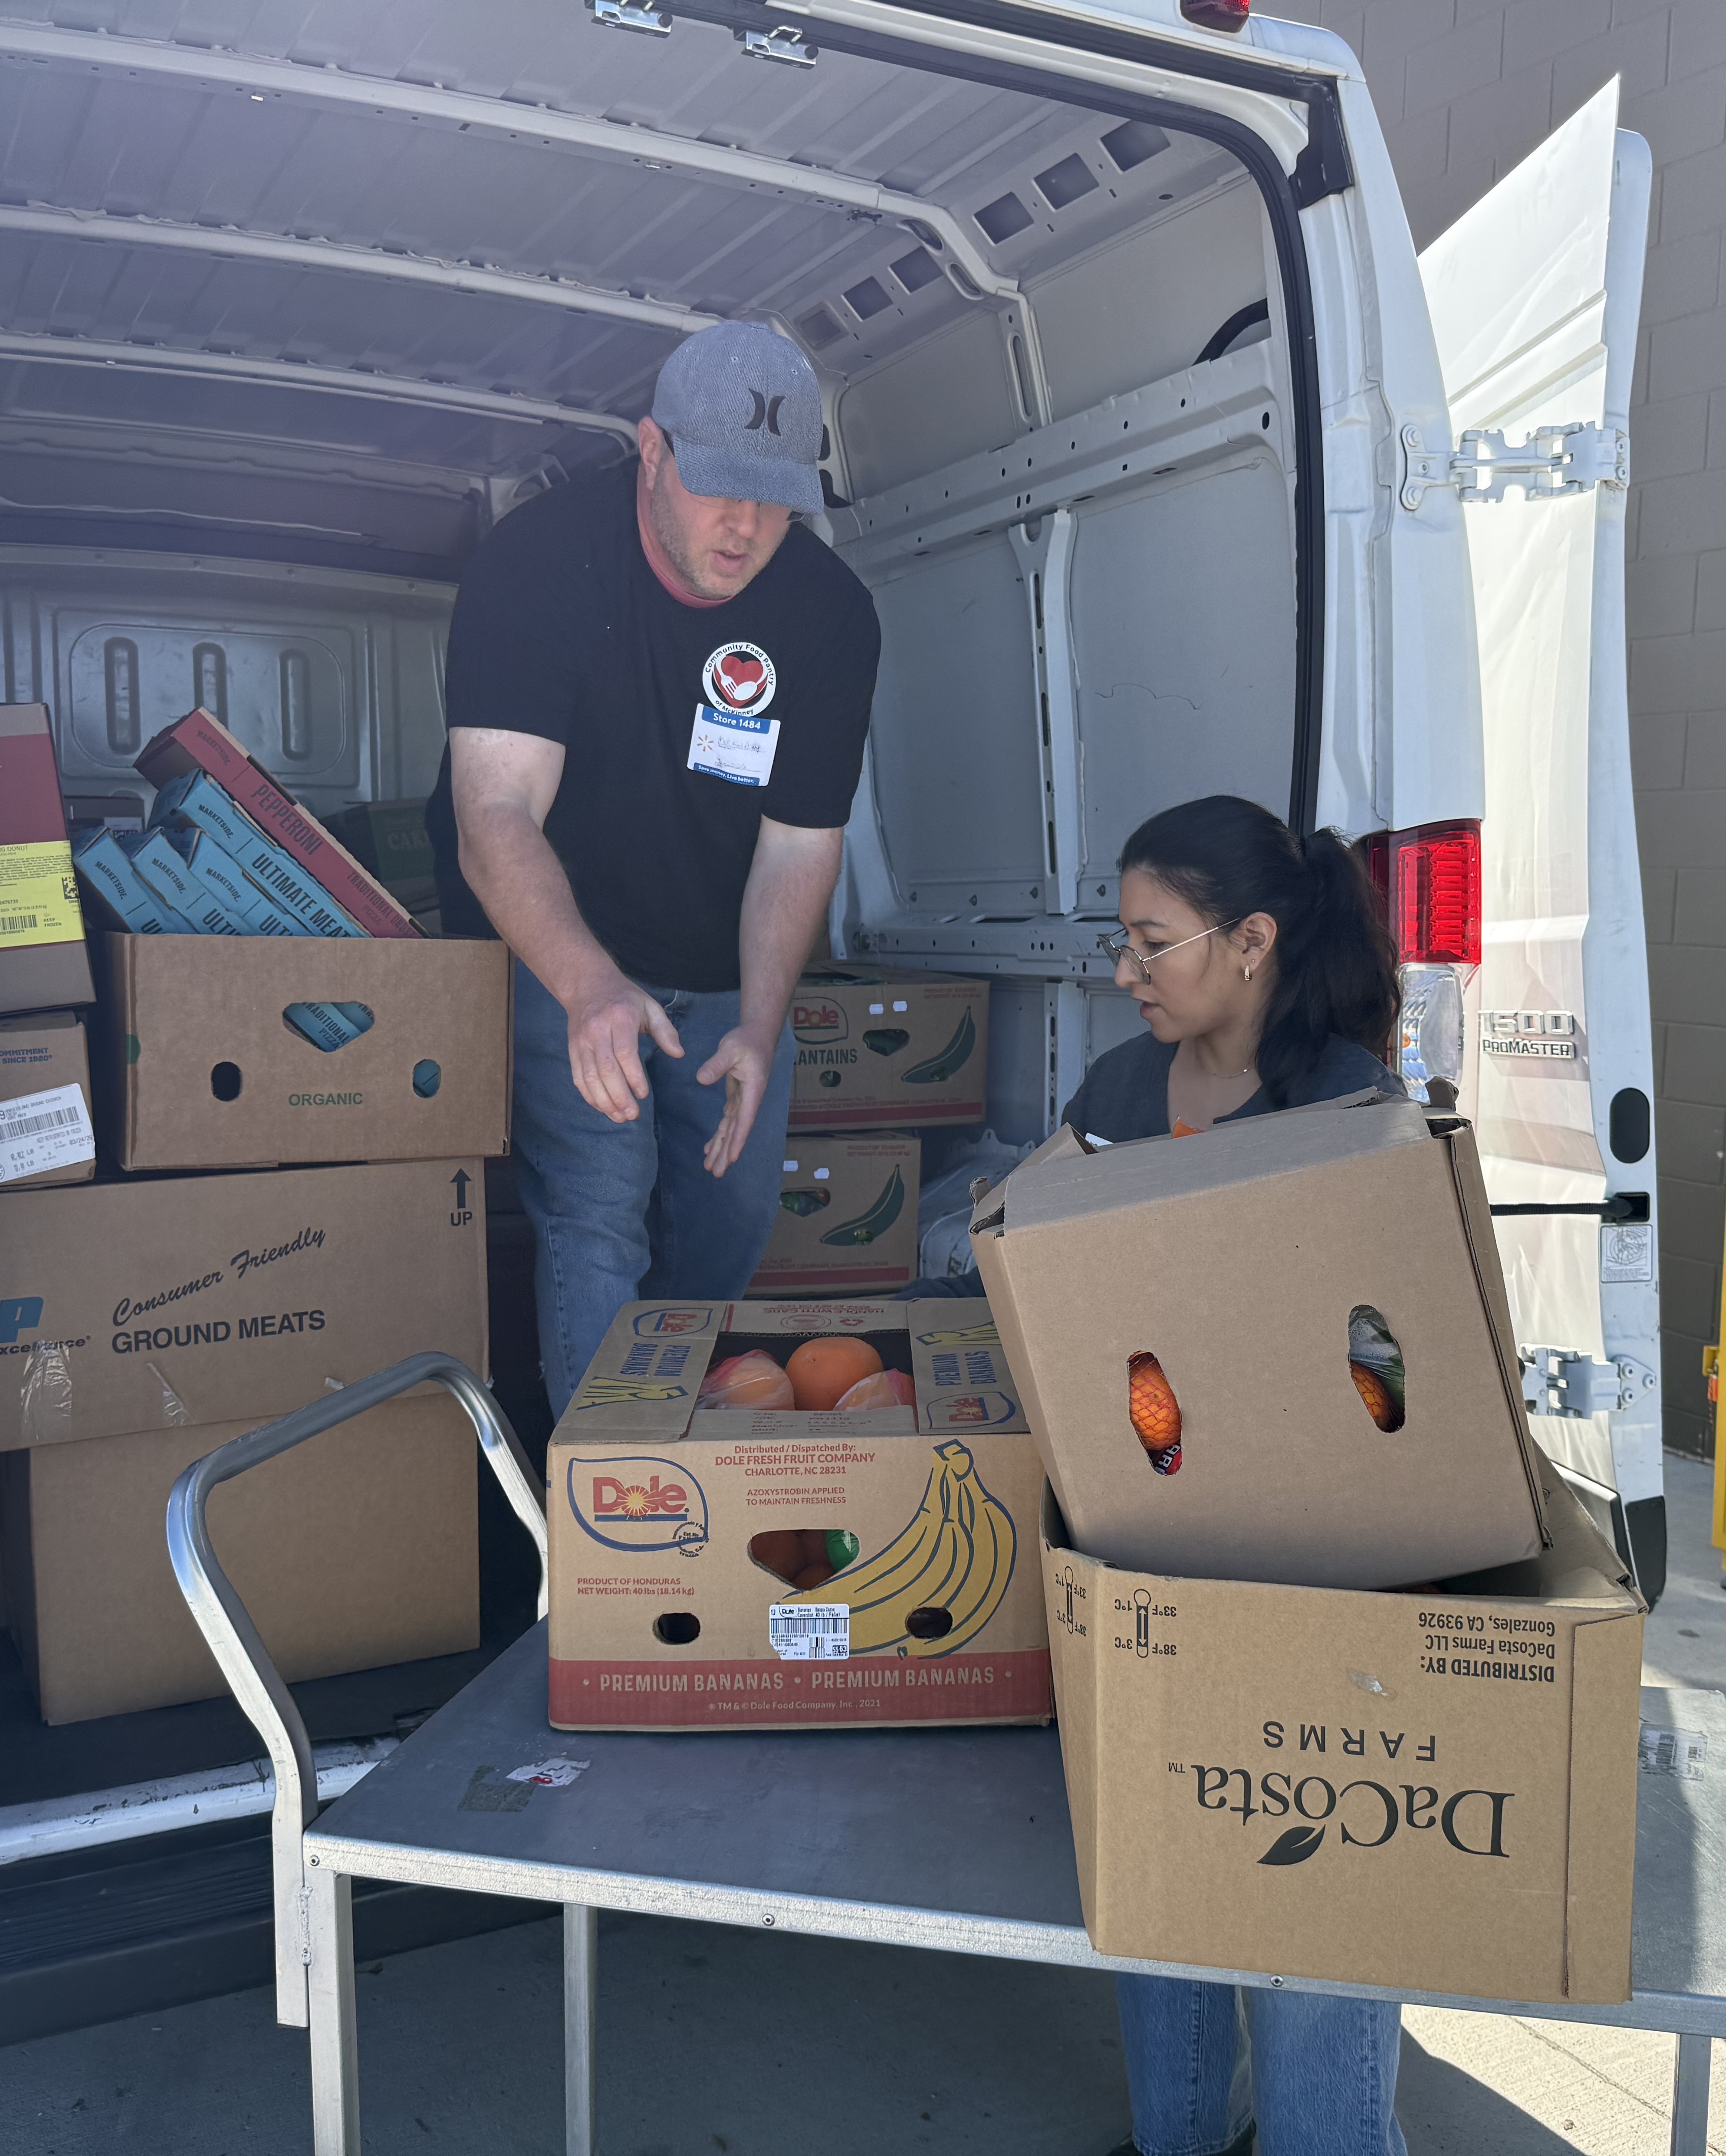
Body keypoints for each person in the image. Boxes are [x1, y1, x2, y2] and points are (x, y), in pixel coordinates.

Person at [908, 793, 1412, 2156]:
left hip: (1318, 1555)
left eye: (1150, 942)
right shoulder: (1123, 1094)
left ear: (1251, 941)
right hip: (1140, 1538)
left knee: (1312, 1879)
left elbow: (1384, 1363)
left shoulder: (1344, 1101)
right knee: (1158, 1857)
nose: (1123, 972)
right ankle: (1186, 2133)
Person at [425, 321, 881, 1412]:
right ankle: (606, 1524)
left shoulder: (827, 615)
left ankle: (674, 1434)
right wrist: (591, 991)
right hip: (562, 943)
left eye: (775, 497)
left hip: (717, 951)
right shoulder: (539, 564)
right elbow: (494, 815)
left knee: (731, 1217)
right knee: (597, 1206)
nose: (746, 526)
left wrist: (763, 1030)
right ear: (651, 450)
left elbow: (799, 844)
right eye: (720, 488)